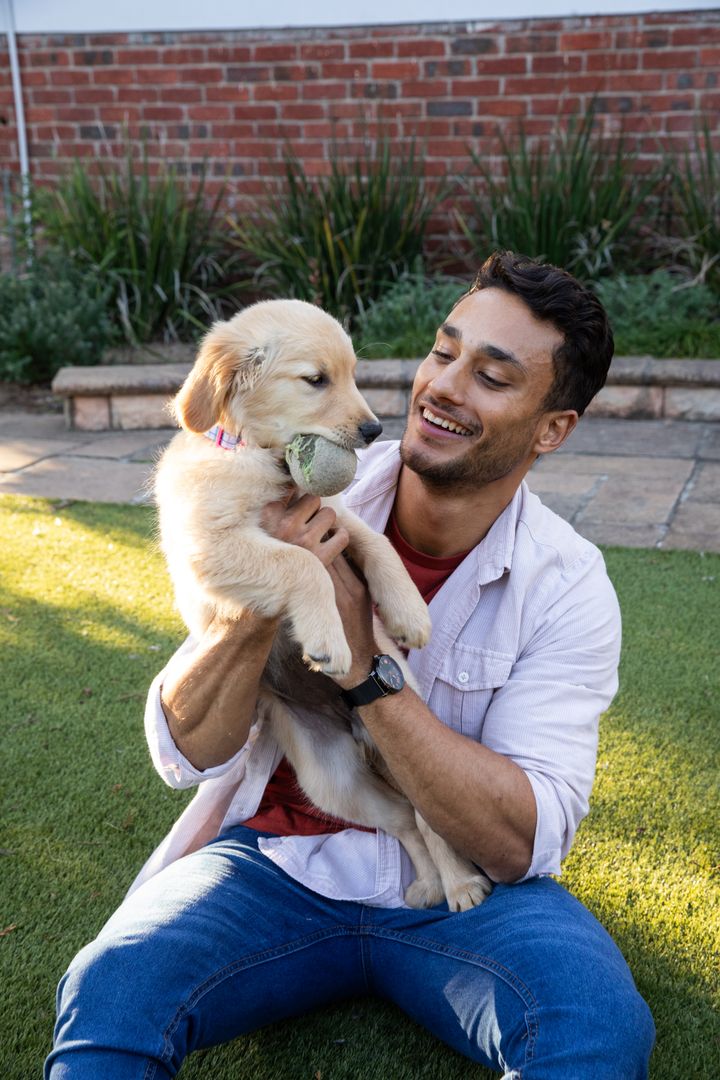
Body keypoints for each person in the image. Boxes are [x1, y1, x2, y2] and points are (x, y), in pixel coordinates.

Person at [47, 252, 656, 1079]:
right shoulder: (298, 475)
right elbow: (184, 750)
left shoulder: (569, 586)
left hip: (463, 887)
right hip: (273, 864)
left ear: (552, 428)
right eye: (445, 353)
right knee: (109, 990)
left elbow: (520, 839)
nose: (443, 387)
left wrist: (365, 663)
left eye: (493, 376)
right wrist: (264, 599)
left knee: (597, 1030)